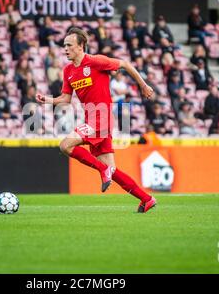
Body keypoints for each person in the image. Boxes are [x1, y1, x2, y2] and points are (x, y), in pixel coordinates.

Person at [36, 27, 157, 213]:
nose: (65, 49)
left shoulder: (96, 61)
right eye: (64, 45)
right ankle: (146, 199)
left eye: (69, 45)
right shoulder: (68, 71)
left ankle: (102, 170)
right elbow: (66, 99)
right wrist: (48, 100)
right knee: (113, 170)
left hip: (102, 118)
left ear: (81, 46)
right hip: (93, 120)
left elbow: (124, 64)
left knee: (65, 145)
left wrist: (143, 85)